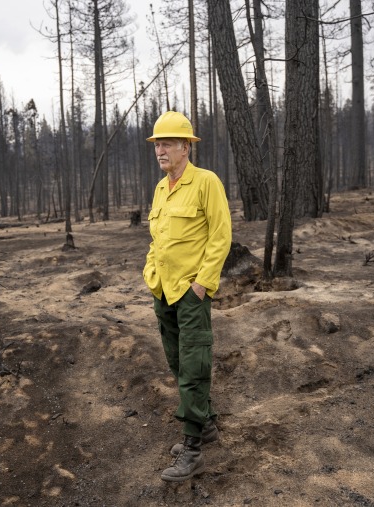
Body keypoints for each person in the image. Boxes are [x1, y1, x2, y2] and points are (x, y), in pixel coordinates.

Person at [143, 111, 232, 482]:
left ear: (185, 147)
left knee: (194, 369)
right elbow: (157, 238)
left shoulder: (206, 182)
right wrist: (150, 272)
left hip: (191, 293)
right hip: (163, 289)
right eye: (156, 144)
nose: (159, 150)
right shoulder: (162, 187)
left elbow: (221, 235)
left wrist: (203, 284)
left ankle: (193, 448)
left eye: (166, 143)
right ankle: (207, 423)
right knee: (178, 363)